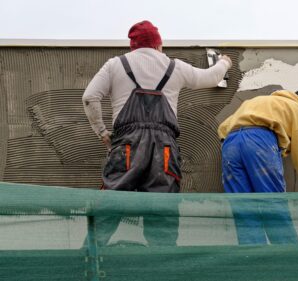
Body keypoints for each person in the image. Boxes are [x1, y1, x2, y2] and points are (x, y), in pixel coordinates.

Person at [82, 20, 231, 246]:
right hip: (164, 150)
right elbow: (210, 78)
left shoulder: (115, 65)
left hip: (127, 147)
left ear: (133, 46)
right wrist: (224, 63)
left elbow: (89, 97)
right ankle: (162, 269)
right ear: (159, 45)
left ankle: (87, 262)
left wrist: (102, 133)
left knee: (108, 209)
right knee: (163, 214)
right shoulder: (175, 67)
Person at [218, 86, 298, 244]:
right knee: (273, 206)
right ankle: (288, 258)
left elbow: (224, 127)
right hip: (259, 143)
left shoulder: (259, 100)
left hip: (230, 145)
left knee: (243, 211)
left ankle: (254, 260)